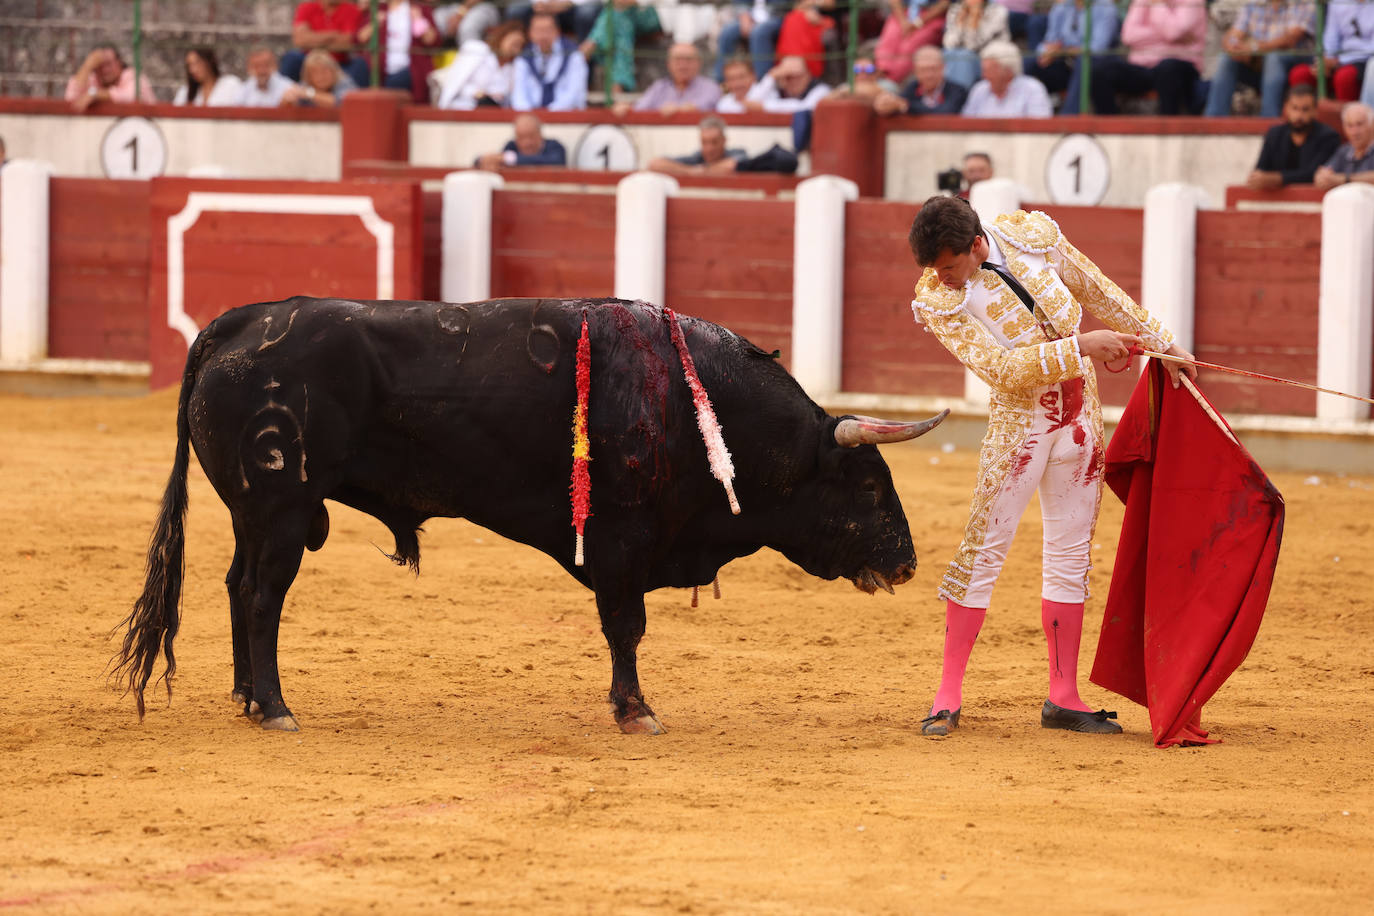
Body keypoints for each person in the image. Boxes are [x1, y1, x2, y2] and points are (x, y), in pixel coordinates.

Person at [906, 195, 1196, 737]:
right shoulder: (939, 300)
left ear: (975, 245)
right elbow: (1002, 369)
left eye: (948, 267)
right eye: (933, 269)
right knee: (982, 552)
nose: (940, 279)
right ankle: (947, 695)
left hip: (1080, 422)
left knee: (1070, 555)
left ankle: (1063, 696)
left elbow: (1096, 288)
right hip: (1021, 429)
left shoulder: (1029, 237)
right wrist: (1082, 346)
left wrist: (1163, 346)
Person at [1062, 0, 1204, 116]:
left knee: (1167, 69)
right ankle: (1110, 129)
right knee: (1098, 70)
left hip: (1179, 65)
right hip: (1142, 65)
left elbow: (1174, 32)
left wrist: (1157, 4)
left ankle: (1168, 131)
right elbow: (1128, 35)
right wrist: (1166, 36)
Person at [1204, 0, 1315, 118]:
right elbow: (1232, 35)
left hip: (1296, 59)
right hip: (1259, 63)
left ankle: (1268, 119)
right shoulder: (1253, 4)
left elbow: (1291, 39)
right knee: (1228, 58)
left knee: (1274, 57)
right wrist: (1234, 47)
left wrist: (1255, 48)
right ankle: (1214, 117)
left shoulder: (1304, 3)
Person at [1247, 83, 1342, 187]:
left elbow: (1313, 174)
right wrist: (1258, 178)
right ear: (1286, 108)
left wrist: (1276, 179)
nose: (1299, 116)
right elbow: (1261, 169)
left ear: (1315, 111)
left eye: (1305, 109)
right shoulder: (1275, 134)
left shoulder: (1328, 137)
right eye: (1295, 108)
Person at [1027, 0, 1120, 104]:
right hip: (1063, 62)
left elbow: (1098, 49)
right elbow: (1050, 40)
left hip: (1093, 65)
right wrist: (1046, 53)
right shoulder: (1062, 7)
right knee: (1030, 62)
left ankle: (1069, 115)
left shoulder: (1105, 7)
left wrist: (1064, 51)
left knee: (1083, 62)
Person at [1287, 2, 1374, 105]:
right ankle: (1304, 118)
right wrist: (1324, 61)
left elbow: (1370, 47)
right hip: (1338, 59)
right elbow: (1330, 38)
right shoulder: (1336, 3)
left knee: (1345, 77)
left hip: (1365, 60)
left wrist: (1339, 61)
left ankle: (1349, 118)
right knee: (1300, 74)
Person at [580, 0, 661, 106]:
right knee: (620, 24)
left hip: (653, 15)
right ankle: (617, 87)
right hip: (623, 16)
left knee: (615, 15)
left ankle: (590, 45)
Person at [356, 0, 441, 102]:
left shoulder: (419, 8)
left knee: (392, 86)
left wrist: (418, 20)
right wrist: (374, 24)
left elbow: (432, 41)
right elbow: (359, 39)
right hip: (380, 70)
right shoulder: (378, 9)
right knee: (359, 69)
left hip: (410, 69)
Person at [435, 20, 527, 109]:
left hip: (493, 113)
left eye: (519, 46)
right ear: (502, 37)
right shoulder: (477, 50)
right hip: (463, 106)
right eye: (514, 44)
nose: (515, 50)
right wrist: (478, 94)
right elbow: (456, 83)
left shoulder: (513, 67)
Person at [282, 1, 371, 88]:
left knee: (361, 64)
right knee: (291, 58)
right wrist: (333, 35)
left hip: (339, 62)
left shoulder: (351, 10)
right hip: (309, 59)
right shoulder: (306, 7)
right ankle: (286, 96)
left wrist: (312, 37)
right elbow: (300, 39)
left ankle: (359, 100)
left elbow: (348, 40)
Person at [511, 11, 589, 110]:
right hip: (532, 115)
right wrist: (529, 114)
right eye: (538, 30)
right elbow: (519, 94)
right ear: (530, 33)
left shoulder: (573, 55)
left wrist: (550, 114)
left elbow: (573, 93)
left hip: (567, 117)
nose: (543, 35)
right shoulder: (523, 57)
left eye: (547, 30)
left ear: (558, 31)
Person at [961, 39, 1052, 117]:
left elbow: (1039, 128)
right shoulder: (979, 90)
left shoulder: (1033, 89)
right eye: (984, 70)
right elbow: (965, 126)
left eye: (990, 71)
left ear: (1008, 71)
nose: (984, 76)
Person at [873, 45, 969, 114]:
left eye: (933, 69)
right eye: (923, 70)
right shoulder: (912, 87)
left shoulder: (957, 90)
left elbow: (945, 111)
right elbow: (899, 102)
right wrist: (888, 104)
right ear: (915, 71)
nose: (929, 75)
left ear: (943, 68)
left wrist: (905, 106)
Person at [632, 43, 722, 114]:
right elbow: (639, 109)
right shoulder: (659, 87)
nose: (683, 65)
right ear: (668, 64)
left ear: (698, 63)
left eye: (688, 59)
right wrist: (626, 109)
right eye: (677, 60)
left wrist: (678, 109)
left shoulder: (710, 87)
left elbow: (705, 106)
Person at [875, 0, 950, 84]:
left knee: (909, 46)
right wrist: (903, 21)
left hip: (931, 17)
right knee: (889, 39)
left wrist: (918, 22)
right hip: (903, 14)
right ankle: (881, 75)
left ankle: (891, 82)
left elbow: (944, 4)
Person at [942, 0, 1010, 91]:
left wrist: (973, 21)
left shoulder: (998, 11)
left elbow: (973, 45)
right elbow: (949, 44)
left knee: (964, 55)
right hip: (962, 55)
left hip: (989, 57)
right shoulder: (955, 9)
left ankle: (959, 95)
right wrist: (960, 23)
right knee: (948, 54)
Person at [64, 45, 156, 111]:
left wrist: (94, 94)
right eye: (100, 65)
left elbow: (129, 97)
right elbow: (70, 98)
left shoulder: (134, 76)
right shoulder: (93, 79)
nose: (105, 70)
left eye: (109, 64)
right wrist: (87, 65)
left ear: (119, 62)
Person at [647, 116, 748, 174]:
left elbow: (731, 166)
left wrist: (702, 171)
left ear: (724, 141)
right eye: (704, 142)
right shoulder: (697, 158)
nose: (709, 148)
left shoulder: (737, 153)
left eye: (714, 142)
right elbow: (655, 164)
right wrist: (690, 170)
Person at [715, 1, 789, 81]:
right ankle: (721, 80)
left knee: (759, 33)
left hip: (776, 16)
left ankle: (763, 81)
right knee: (727, 32)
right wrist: (744, 15)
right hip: (751, 16)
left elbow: (783, 7)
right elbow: (740, 4)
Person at [741, 53, 831, 112]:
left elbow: (805, 108)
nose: (794, 81)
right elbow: (749, 103)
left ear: (808, 74)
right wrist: (771, 77)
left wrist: (765, 106)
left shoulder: (821, 89)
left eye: (798, 76)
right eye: (788, 77)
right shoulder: (779, 91)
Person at [474, 112, 568, 168]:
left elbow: (555, 161)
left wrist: (509, 159)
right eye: (521, 137)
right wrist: (484, 161)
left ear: (540, 134)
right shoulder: (511, 146)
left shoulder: (555, 147)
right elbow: (494, 160)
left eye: (531, 136)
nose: (527, 143)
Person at [1314, 102, 1374, 189]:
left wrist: (1343, 179)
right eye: (1350, 125)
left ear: (1372, 125)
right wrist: (1322, 177)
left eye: (1359, 124)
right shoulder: (1344, 151)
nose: (1354, 132)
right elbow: (1322, 175)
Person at [775, 0, 836, 79]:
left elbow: (831, 4)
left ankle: (806, 67)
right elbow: (796, 7)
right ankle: (792, 63)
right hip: (802, 15)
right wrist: (805, 9)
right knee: (793, 19)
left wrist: (813, 3)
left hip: (822, 19)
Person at [280, 49, 358, 107]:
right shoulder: (305, 85)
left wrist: (310, 94)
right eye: (315, 73)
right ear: (308, 77)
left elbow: (339, 102)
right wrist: (287, 100)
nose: (321, 76)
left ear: (333, 71)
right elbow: (284, 108)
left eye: (324, 71)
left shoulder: (344, 82)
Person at [172, 47, 245, 106]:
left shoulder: (231, 85)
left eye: (197, 63)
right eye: (189, 65)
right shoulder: (184, 92)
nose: (192, 70)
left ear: (209, 62)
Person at [828, 56, 902, 102]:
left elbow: (881, 91)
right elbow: (828, 98)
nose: (863, 74)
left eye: (869, 69)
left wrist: (846, 92)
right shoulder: (845, 86)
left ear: (876, 72)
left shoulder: (887, 84)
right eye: (857, 70)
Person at [434, 0, 502, 46]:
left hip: (483, 6)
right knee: (437, 18)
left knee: (468, 27)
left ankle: (471, 62)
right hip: (454, 6)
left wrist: (459, 15)